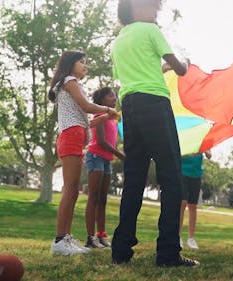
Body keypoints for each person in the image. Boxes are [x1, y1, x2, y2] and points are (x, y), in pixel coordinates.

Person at [110, 0, 199, 267]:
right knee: (172, 178)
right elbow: (181, 68)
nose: (156, 12)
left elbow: (136, 75)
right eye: (153, 6)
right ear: (137, 8)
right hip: (155, 105)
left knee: (134, 180)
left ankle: (121, 251)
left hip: (130, 106)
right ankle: (168, 253)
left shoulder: (118, 41)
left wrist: (165, 69)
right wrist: (182, 63)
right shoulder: (150, 31)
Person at [48, 50, 119, 255]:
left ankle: (66, 237)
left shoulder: (72, 84)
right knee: (70, 189)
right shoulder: (69, 81)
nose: (85, 66)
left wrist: (106, 116)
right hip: (70, 136)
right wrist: (107, 110)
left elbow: (87, 121)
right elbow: (87, 107)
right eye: (81, 62)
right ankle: (60, 240)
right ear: (70, 64)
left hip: (76, 136)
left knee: (73, 190)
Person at [84, 87, 126, 249]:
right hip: (95, 157)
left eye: (115, 96)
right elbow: (101, 141)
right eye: (110, 96)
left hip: (107, 160)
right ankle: (90, 237)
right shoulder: (99, 116)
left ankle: (101, 235)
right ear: (101, 100)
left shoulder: (112, 119)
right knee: (93, 197)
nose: (114, 99)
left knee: (103, 199)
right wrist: (120, 155)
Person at [179, 150, 212, 250]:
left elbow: (209, 155)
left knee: (193, 206)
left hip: (196, 175)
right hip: (183, 172)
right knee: (182, 203)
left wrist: (205, 150)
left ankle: (191, 239)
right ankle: (177, 237)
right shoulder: (185, 137)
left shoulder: (203, 140)